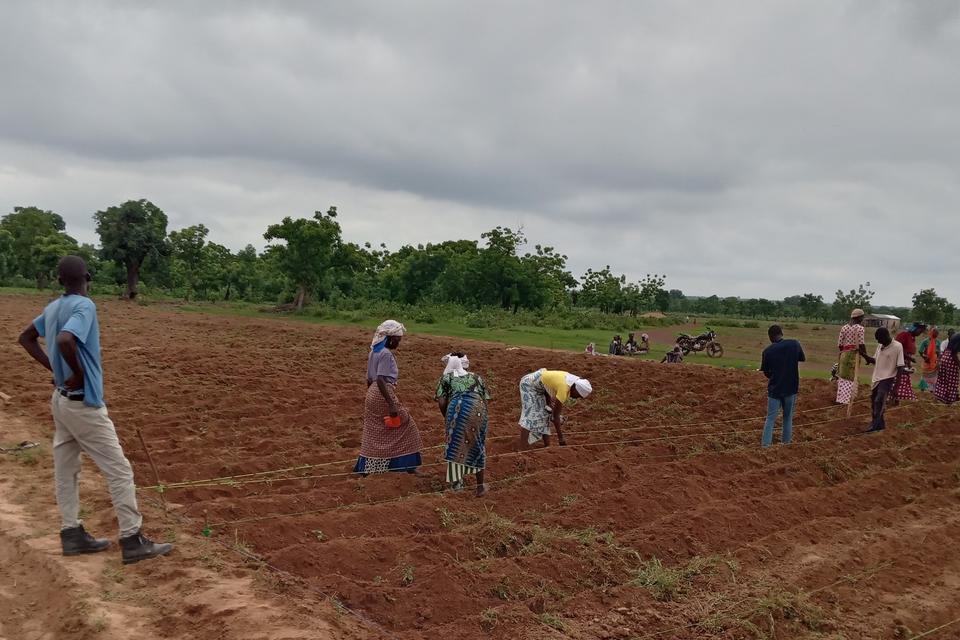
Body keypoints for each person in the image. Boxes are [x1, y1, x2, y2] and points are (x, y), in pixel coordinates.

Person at [17, 256, 173, 564]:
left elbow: (26, 338)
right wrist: (76, 372)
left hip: (60, 402)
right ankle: (132, 539)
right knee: (119, 469)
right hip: (82, 404)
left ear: (59, 280)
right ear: (88, 276)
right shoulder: (84, 306)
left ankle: (71, 534)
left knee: (65, 468)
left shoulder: (52, 308)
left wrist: (56, 371)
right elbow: (64, 340)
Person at [354, 320, 423, 474]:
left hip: (372, 393)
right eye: (398, 340)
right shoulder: (386, 354)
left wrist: (370, 396)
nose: (399, 343)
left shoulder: (373, 351)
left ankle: (369, 467)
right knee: (407, 425)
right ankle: (405, 467)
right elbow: (380, 379)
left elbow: (369, 379)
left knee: (376, 431)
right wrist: (391, 404)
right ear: (390, 338)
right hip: (382, 393)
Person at [435, 353, 490, 496]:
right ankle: (480, 487)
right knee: (478, 443)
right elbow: (485, 399)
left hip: (457, 409)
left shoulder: (446, 378)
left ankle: (457, 486)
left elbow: (441, 402)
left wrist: (448, 417)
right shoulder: (477, 377)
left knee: (455, 444)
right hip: (478, 409)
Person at [518, 369, 592, 447]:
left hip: (541, 386)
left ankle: (547, 447)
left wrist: (548, 403)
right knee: (531, 415)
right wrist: (561, 439)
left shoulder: (572, 380)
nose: (576, 398)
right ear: (575, 389)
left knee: (545, 414)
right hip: (529, 384)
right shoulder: (564, 388)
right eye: (577, 396)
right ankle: (522, 447)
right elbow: (555, 417)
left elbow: (548, 384)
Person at [759, 325, 806, 447]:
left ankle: (765, 446)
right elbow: (801, 358)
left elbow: (766, 372)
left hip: (775, 389)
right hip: (791, 387)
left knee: (770, 418)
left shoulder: (767, 351)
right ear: (781, 333)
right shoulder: (794, 344)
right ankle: (786, 444)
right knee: (787, 417)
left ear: (770, 336)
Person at [865, 327, 905, 433]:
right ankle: (880, 425)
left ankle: (874, 425)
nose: (878, 341)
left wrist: (896, 387)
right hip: (876, 378)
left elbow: (900, 366)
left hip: (888, 378)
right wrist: (865, 356)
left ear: (885, 336)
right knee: (874, 402)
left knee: (879, 401)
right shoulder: (880, 346)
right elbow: (875, 360)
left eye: (879, 339)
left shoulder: (897, 346)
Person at [836, 309, 875, 405]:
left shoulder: (844, 328)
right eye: (862, 317)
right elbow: (861, 345)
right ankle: (848, 400)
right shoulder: (860, 328)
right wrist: (866, 357)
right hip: (854, 355)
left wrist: (845, 351)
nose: (863, 319)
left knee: (843, 377)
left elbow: (840, 344)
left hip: (844, 354)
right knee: (851, 377)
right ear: (859, 317)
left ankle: (841, 399)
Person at [892, 323, 925, 402]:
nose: (920, 333)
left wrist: (909, 362)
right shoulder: (904, 335)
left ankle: (899, 398)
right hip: (899, 360)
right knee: (898, 379)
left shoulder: (912, 337)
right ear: (915, 329)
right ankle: (894, 397)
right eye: (919, 331)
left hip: (906, 360)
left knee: (904, 378)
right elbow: (898, 349)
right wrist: (909, 358)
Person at [933, 331, 960, 405]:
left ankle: (939, 397)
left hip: (945, 357)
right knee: (952, 381)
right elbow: (954, 352)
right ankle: (949, 400)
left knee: (942, 379)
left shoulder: (956, 334)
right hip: (951, 359)